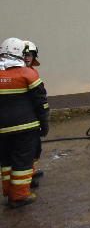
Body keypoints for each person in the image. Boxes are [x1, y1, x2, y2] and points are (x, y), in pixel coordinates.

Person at [0, 37, 49, 208]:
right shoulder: (27, 74)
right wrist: (45, 123)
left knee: (6, 161)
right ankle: (19, 196)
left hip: (2, 130)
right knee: (22, 162)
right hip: (25, 128)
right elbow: (41, 102)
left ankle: (9, 191)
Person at [22, 41, 44, 188]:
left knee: (36, 147)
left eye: (29, 55)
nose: (27, 57)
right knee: (24, 150)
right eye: (24, 55)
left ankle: (30, 171)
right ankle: (25, 179)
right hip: (23, 117)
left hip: (33, 116)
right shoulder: (17, 72)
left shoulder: (32, 71)